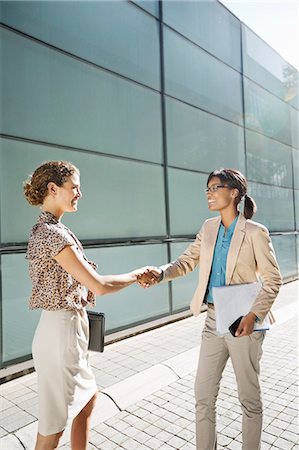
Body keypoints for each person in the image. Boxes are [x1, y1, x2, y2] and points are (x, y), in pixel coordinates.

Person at [138, 168, 282, 450]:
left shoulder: (255, 232)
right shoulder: (208, 228)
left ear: (234, 193)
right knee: (203, 395)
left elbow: (273, 279)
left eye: (215, 187)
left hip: (244, 321)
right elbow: (186, 261)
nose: (209, 193)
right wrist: (160, 273)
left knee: (249, 399)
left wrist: (254, 316)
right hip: (213, 319)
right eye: (207, 189)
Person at [24, 160, 148, 450]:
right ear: (53, 189)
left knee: (87, 400)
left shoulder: (53, 229)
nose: (79, 193)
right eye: (75, 187)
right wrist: (136, 275)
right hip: (60, 333)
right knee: (53, 428)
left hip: (66, 329)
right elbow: (99, 285)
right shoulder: (50, 234)